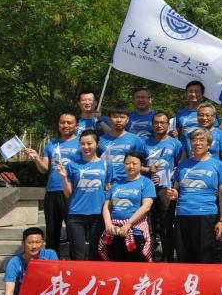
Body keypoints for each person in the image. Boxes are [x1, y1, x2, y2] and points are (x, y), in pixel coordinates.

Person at [166, 128, 222, 264]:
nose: (197, 143)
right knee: (184, 257)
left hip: (206, 215)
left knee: (205, 258)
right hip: (182, 215)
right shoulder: (182, 165)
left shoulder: (218, 165)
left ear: (208, 144)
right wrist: (173, 194)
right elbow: (175, 190)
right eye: (194, 140)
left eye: (201, 140)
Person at [23, 111, 79, 252]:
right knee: (52, 231)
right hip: (52, 191)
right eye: (62, 122)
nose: (65, 125)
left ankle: (77, 261)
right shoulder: (51, 145)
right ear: (58, 125)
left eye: (69, 122)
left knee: (74, 230)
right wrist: (36, 157)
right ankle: (52, 260)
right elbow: (44, 169)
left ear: (76, 125)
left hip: (73, 191)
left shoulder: (82, 143)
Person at [57, 128, 109, 260]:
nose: (86, 147)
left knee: (95, 254)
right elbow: (68, 194)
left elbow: (109, 190)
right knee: (77, 254)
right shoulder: (72, 165)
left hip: (98, 215)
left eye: (89, 143)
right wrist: (64, 177)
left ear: (97, 144)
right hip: (76, 215)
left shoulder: (106, 165)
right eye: (82, 144)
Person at [99, 152, 156, 261]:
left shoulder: (146, 183)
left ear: (141, 165)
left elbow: (146, 207)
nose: (130, 166)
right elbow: (106, 206)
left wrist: (128, 224)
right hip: (114, 232)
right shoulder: (117, 184)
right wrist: (108, 223)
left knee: (135, 267)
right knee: (115, 266)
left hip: (135, 233)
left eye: (134, 163)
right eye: (127, 163)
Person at [144, 112, 183, 261]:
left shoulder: (176, 143)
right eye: (156, 122)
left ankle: (168, 257)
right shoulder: (143, 142)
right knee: (149, 225)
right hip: (147, 188)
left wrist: (170, 175)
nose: (159, 125)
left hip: (166, 189)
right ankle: (149, 257)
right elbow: (135, 164)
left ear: (168, 124)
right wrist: (148, 170)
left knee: (166, 225)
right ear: (152, 124)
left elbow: (181, 164)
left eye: (162, 122)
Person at [99, 106, 147, 182]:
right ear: (109, 119)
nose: (119, 120)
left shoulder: (136, 140)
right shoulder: (100, 140)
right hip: (105, 181)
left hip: (128, 182)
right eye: (115, 117)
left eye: (122, 117)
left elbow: (141, 162)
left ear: (127, 120)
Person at [180, 102, 222, 169]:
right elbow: (183, 157)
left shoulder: (221, 135)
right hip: (191, 171)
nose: (204, 118)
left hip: (212, 172)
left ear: (214, 117)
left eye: (207, 115)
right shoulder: (189, 134)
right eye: (201, 115)